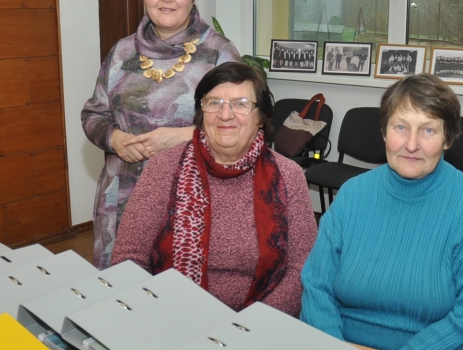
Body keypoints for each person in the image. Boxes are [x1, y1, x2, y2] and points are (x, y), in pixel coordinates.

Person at [300, 74, 463, 350]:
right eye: (401, 127)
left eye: (428, 130)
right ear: (384, 132)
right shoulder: (353, 194)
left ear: (448, 138)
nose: (411, 144)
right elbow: (316, 285)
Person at [110, 63, 317, 317]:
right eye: (214, 103)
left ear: (261, 116)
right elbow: (129, 259)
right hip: (171, 315)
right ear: (201, 113)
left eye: (241, 104)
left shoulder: (288, 175)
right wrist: (159, 314)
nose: (225, 114)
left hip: (259, 324)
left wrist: (252, 324)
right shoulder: (164, 167)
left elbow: (301, 268)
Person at [82, 0, 240, 268]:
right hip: (121, 201)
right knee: (118, 299)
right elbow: (93, 114)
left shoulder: (219, 54)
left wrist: (182, 137)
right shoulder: (121, 52)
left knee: (179, 301)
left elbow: (243, 128)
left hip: (189, 201)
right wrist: (114, 139)